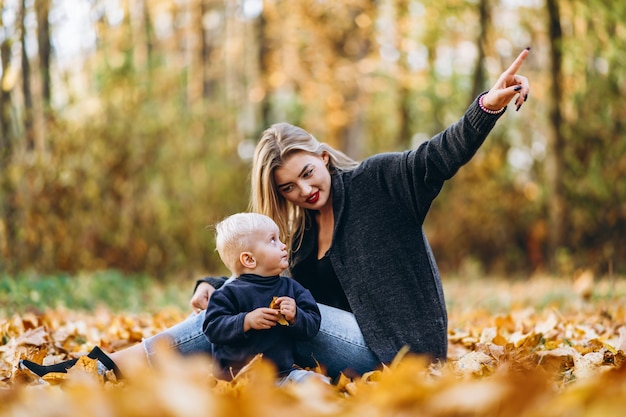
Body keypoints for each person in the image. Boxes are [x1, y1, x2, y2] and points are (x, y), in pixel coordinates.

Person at [20, 47, 531, 381]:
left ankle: (100, 370)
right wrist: (213, 284)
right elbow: (267, 280)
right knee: (234, 312)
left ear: (324, 157)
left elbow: (441, 153)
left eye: (309, 173)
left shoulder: (382, 182)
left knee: (238, 313)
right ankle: (114, 372)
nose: (304, 190)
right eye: (288, 188)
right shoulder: (304, 237)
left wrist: (486, 104)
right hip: (344, 352)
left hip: (398, 357)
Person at [204, 212, 324, 384]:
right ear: (249, 259)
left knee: (318, 385)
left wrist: (296, 316)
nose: (283, 246)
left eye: (280, 239)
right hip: (237, 381)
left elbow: (313, 323)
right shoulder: (227, 294)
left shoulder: (292, 288)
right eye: (273, 240)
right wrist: (246, 321)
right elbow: (212, 328)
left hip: (282, 375)